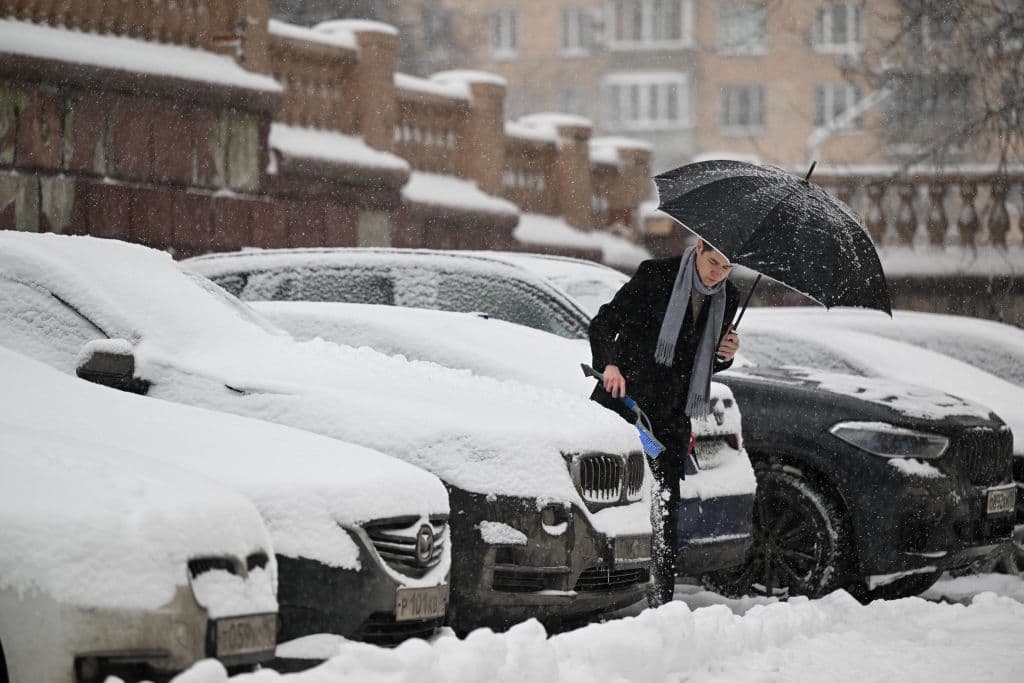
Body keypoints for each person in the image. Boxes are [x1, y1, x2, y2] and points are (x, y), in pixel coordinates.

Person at [588, 239, 741, 606]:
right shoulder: (656, 275)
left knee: (665, 509)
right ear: (699, 247)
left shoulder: (728, 297)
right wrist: (609, 364)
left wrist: (726, 354)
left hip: (673, 416)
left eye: (726, 268)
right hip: (628, 406)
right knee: (613, 506)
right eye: (713, 262)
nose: (717, 274)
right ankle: (597, 595)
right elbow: (605, 323)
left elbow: (701, 362)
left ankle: (661, 603)